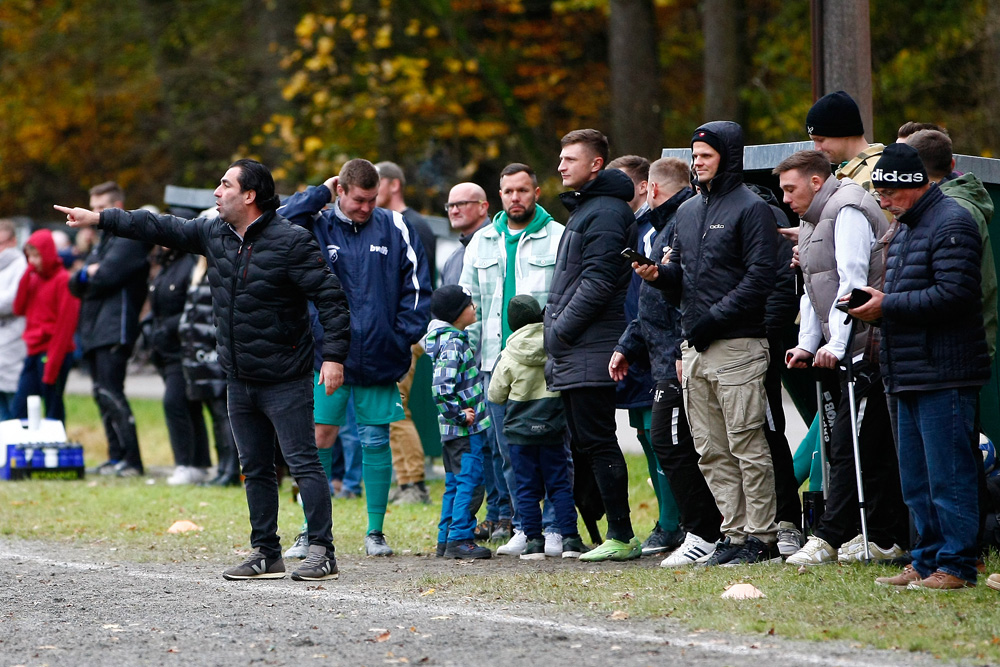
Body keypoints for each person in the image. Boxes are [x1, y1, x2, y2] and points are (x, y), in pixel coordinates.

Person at [57, 158, 350, 582]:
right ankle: (266, 552)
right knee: (254, 468)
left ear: (249, 196)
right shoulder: (213, 232)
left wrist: (334, 356)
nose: (216, 191)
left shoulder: (292, 241)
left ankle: (322, 550)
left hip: (286, 376)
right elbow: (155, 226)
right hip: (238, 376)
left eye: (225, 184)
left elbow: (331, 299)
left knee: (303, 462)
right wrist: (100, 218)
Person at [636, 121, 779, 566]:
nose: (697, 163)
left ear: (728, 157)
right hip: (693, 348)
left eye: (705, 156)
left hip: (737, 344)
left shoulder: (751, 208)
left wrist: (712, 320)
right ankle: (733, 534)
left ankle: (762, 537)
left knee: (745, 444)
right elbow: (683, 277)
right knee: (711, 449)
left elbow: (760, 279)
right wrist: (659, 276)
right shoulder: (688, 211)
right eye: (694, 156)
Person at [279, 158, 431, 557]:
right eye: (358, 199)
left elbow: (418, 289)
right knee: (319, 438)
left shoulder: (396, 227)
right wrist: (318, 194)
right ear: (340, 191)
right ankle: (310, 532)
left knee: (375, 438)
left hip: (380, 355)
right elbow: (277, 221)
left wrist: (399, 338)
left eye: (372, 199)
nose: (366, 207)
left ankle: (375, 532)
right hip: (324, 356)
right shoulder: (317, 222)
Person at [852, 143, 988, 590]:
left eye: (887, 191)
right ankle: (926, 559)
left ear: (912, 184)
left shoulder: (953, 223)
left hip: (944, 371)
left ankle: (957, 565)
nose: (882, 200)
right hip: (907, 370)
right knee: (915, 479)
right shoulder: (907, 227)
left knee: (948, 476)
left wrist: (886, 306)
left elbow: (955, 295)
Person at [775, 150, 907, 567]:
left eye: (790, 188)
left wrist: (836, 345)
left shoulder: (846, 209)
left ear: (816, 182)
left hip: (866, 347)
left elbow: (852, 281)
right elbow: (814, 288)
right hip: (846, 347)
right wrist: (809, 342)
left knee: (854, 446)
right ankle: (881, 536)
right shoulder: (815, 218)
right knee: (855, 444)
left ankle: (834, 535)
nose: (784, 198)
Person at [615, 157, 723, 566]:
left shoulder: (682, 222)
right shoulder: (664, 226)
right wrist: (628, 343)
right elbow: (654, 298)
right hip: (663, 356)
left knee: (675, 442)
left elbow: (690, 294)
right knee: (668, 441)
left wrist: (682, 347)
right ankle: (704, 530)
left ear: (652, 189)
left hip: (678, 357)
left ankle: (704, 532)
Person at [460, 163, 565, 556]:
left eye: (523, 190)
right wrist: (471, 362)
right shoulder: (482, 241)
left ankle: (555, 527)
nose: (516, 197)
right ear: (499, 196)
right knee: (509, 452)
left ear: (537, 192)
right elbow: (470, 308)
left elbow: (564, 299)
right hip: (495, 362)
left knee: (555, 449)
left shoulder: (558, 237)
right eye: (509, 191)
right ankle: (525, 526)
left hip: (546, 364)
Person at [545, 129, 640, 562]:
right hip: (578, 347)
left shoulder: (603, 212)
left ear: (596, 164)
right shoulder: (590, 208)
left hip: (589, 345)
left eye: (570, 159)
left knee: (598, 441)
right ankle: (611, 533)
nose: (561, 166)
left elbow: (599, 282)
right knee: (587, 442)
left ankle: (620, 534)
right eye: (561, 158)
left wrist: (560, 331)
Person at [606, 155, 683, 556]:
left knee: (664, 437)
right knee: (648, 435)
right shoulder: (631, 228)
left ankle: (674, 522)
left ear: (643, 187)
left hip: (665, 351)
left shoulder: (658, 227)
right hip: (641, 346)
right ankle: (668, 519)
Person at [488, 294, 586, 559]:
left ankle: (532, 542)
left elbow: (495, 395)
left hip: (520, 436)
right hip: (553, 430)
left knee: (527, 488)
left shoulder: (508, 355)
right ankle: (570, 539)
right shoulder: (554, 347)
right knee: (560, 485)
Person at [67, 182, 150, 477]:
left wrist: (90, 273)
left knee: (113, 393)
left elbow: (104, 276)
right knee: (100, 393)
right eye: (94, 208)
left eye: (102, 208)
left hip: (116, 327)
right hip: (93, 328)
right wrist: (87, 273)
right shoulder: (103, 241)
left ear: (118, 206)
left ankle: (133, 460)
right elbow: (75, 283)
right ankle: (116, 457)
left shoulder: (130, 238)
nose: (96, 214)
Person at [905, 129, 997, 361]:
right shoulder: (960, 205)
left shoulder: (951, 212)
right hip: (962, 347)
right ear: (953, 163)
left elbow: (956, 291)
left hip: (955, 351)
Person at [424, 284, 492, 560]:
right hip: (466, 429)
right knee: (471, 482)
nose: (473, 307)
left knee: (454, 483)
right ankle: (461, 538)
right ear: (456, 313)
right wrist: (461, 415)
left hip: (453, 432)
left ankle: (445, 537)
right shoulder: (454, 342)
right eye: (469, 304)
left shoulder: (449, 339)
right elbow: (441, 386)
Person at [145, 246, 213, 486]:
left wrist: (166, 327)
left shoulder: (189, 265)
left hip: (183, 348)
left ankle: (186, 463)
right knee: (187, 405)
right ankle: (197, 463)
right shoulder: (165, 265)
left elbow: (191, 307)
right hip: (165, 347)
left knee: (174, 402)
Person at [177, 254, 240, 486]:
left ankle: (231, 470)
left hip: (213, 355)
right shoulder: (199, 270)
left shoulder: (222, 267)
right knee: (215, 415)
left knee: (223, 415)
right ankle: (223, 468)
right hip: (199, 356)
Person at [9, 229, 79, 422]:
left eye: (37, 256)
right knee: (20, 408)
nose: (33, 261)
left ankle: (56, 448)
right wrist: (26, 275)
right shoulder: (33, 278)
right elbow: (18, 307)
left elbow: (65, 328)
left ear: (47, 253)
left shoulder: (63, 280)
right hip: (34, 350)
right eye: (29, 256)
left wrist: (52, 366)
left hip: (54, 352)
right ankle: (23, 449)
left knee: (53, 407)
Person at [0, 218, 26, 420]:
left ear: (13, 241)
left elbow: (13, 300)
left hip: (14, 339)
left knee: (15, 407)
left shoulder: (20, 265)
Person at [439, 183, 490, 287]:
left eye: (461, 204)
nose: (454, 211)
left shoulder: (501, 246)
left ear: (482, 207)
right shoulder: (451, 261)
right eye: (450, 206)